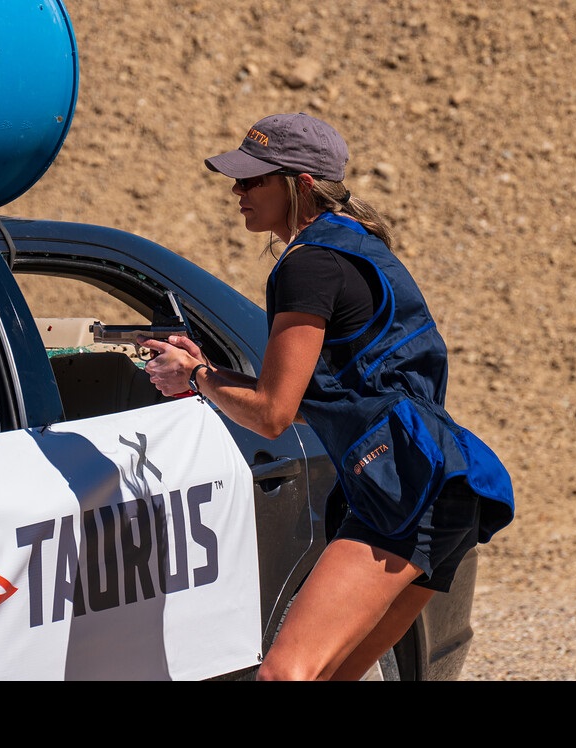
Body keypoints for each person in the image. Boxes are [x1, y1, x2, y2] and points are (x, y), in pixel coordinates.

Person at [141, 112, 514, 681]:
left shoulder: (310, 264)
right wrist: (204, 369)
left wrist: (195, 378)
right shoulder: (351, 245)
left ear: (302, 185)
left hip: (403, 490)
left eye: (254, 179)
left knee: (285, 673)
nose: (237, 191)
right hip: (436, 480)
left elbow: (271, 413)